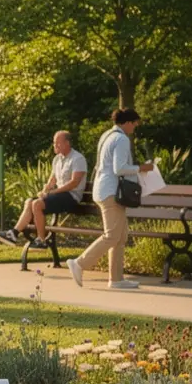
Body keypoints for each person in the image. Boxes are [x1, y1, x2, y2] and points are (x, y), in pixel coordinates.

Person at [67, 108, 154, 291]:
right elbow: (119, 168)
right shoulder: (121, 139)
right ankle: (79, 263)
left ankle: (116, 279)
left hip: (104, 189)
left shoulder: (107, 135)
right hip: (111, 192)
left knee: (121, 236)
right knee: (112, 235)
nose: (135, 128)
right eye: (135, 124)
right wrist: (141, 168)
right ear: (127, 122)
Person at [0, 130, 87, 247]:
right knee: (29, 202)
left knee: (37, 204)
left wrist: (52, 192)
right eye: (54, 143)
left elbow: (74, 183)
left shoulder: (78, 159)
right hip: (59, 196)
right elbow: (52, 180)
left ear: (67, 143)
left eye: (58, 143)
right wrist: (45, 190)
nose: (55, 145)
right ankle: (13, 234)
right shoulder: (57, 159)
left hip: (71, 197)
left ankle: (41, 240)